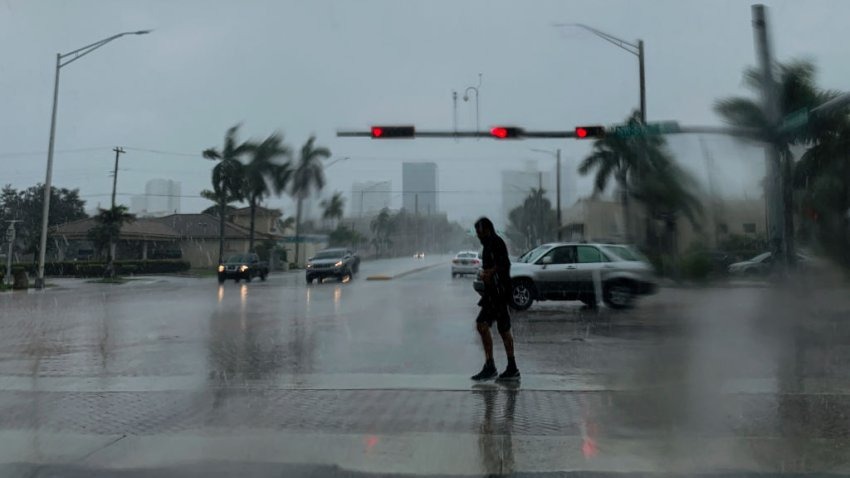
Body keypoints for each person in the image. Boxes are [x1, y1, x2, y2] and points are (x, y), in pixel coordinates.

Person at [471, 217, 520, 381]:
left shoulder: (496, 243)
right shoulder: (487, 246)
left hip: (499, 294)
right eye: (477, 233)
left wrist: (490, 272)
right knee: (491, 327)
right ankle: (498, 365)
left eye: (480, 232)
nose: (478, 236)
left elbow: (505, 265)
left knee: (493, 326)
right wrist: (485, 274)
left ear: (487, 230)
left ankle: (502, 366)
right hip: (492, 294)